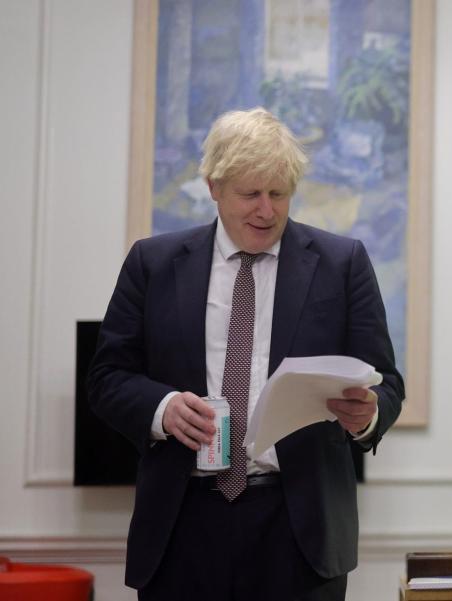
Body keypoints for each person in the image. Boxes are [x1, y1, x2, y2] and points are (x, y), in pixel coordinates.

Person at [87, 107, 404, 601]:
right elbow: (107, 377)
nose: (267, 210)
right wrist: (162, 408)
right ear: (214, 186)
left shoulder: (342, 265)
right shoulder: (153, 264)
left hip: (299, 532)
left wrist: (368, 414)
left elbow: (387, 382)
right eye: (250, 194)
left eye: (279, 194)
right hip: (181, 526)